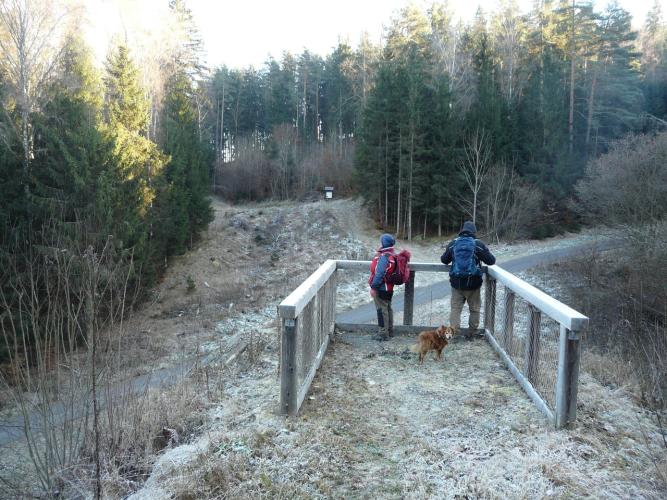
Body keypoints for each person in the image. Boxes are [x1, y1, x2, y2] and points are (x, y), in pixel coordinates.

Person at [440, 221, 496, 334]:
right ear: (474, 232)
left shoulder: (453, 243)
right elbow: (491, 261)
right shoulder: (478, 244)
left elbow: (444, 260)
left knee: (456, 309)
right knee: (474, 309)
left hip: (457, 284)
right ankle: (472, 333)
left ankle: (453, 334)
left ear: (462, 230)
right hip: (473, 284)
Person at [369, 233, 396, 341]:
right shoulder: (392, 255)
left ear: (384, 243)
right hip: (389, 287)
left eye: (381, 242)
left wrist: (373, 288)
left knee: (381, 310)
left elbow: (379, 273)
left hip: (381, 287)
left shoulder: (384, 257)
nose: (379, 244)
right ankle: (390, 331)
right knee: (388, 308)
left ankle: (383, 334)